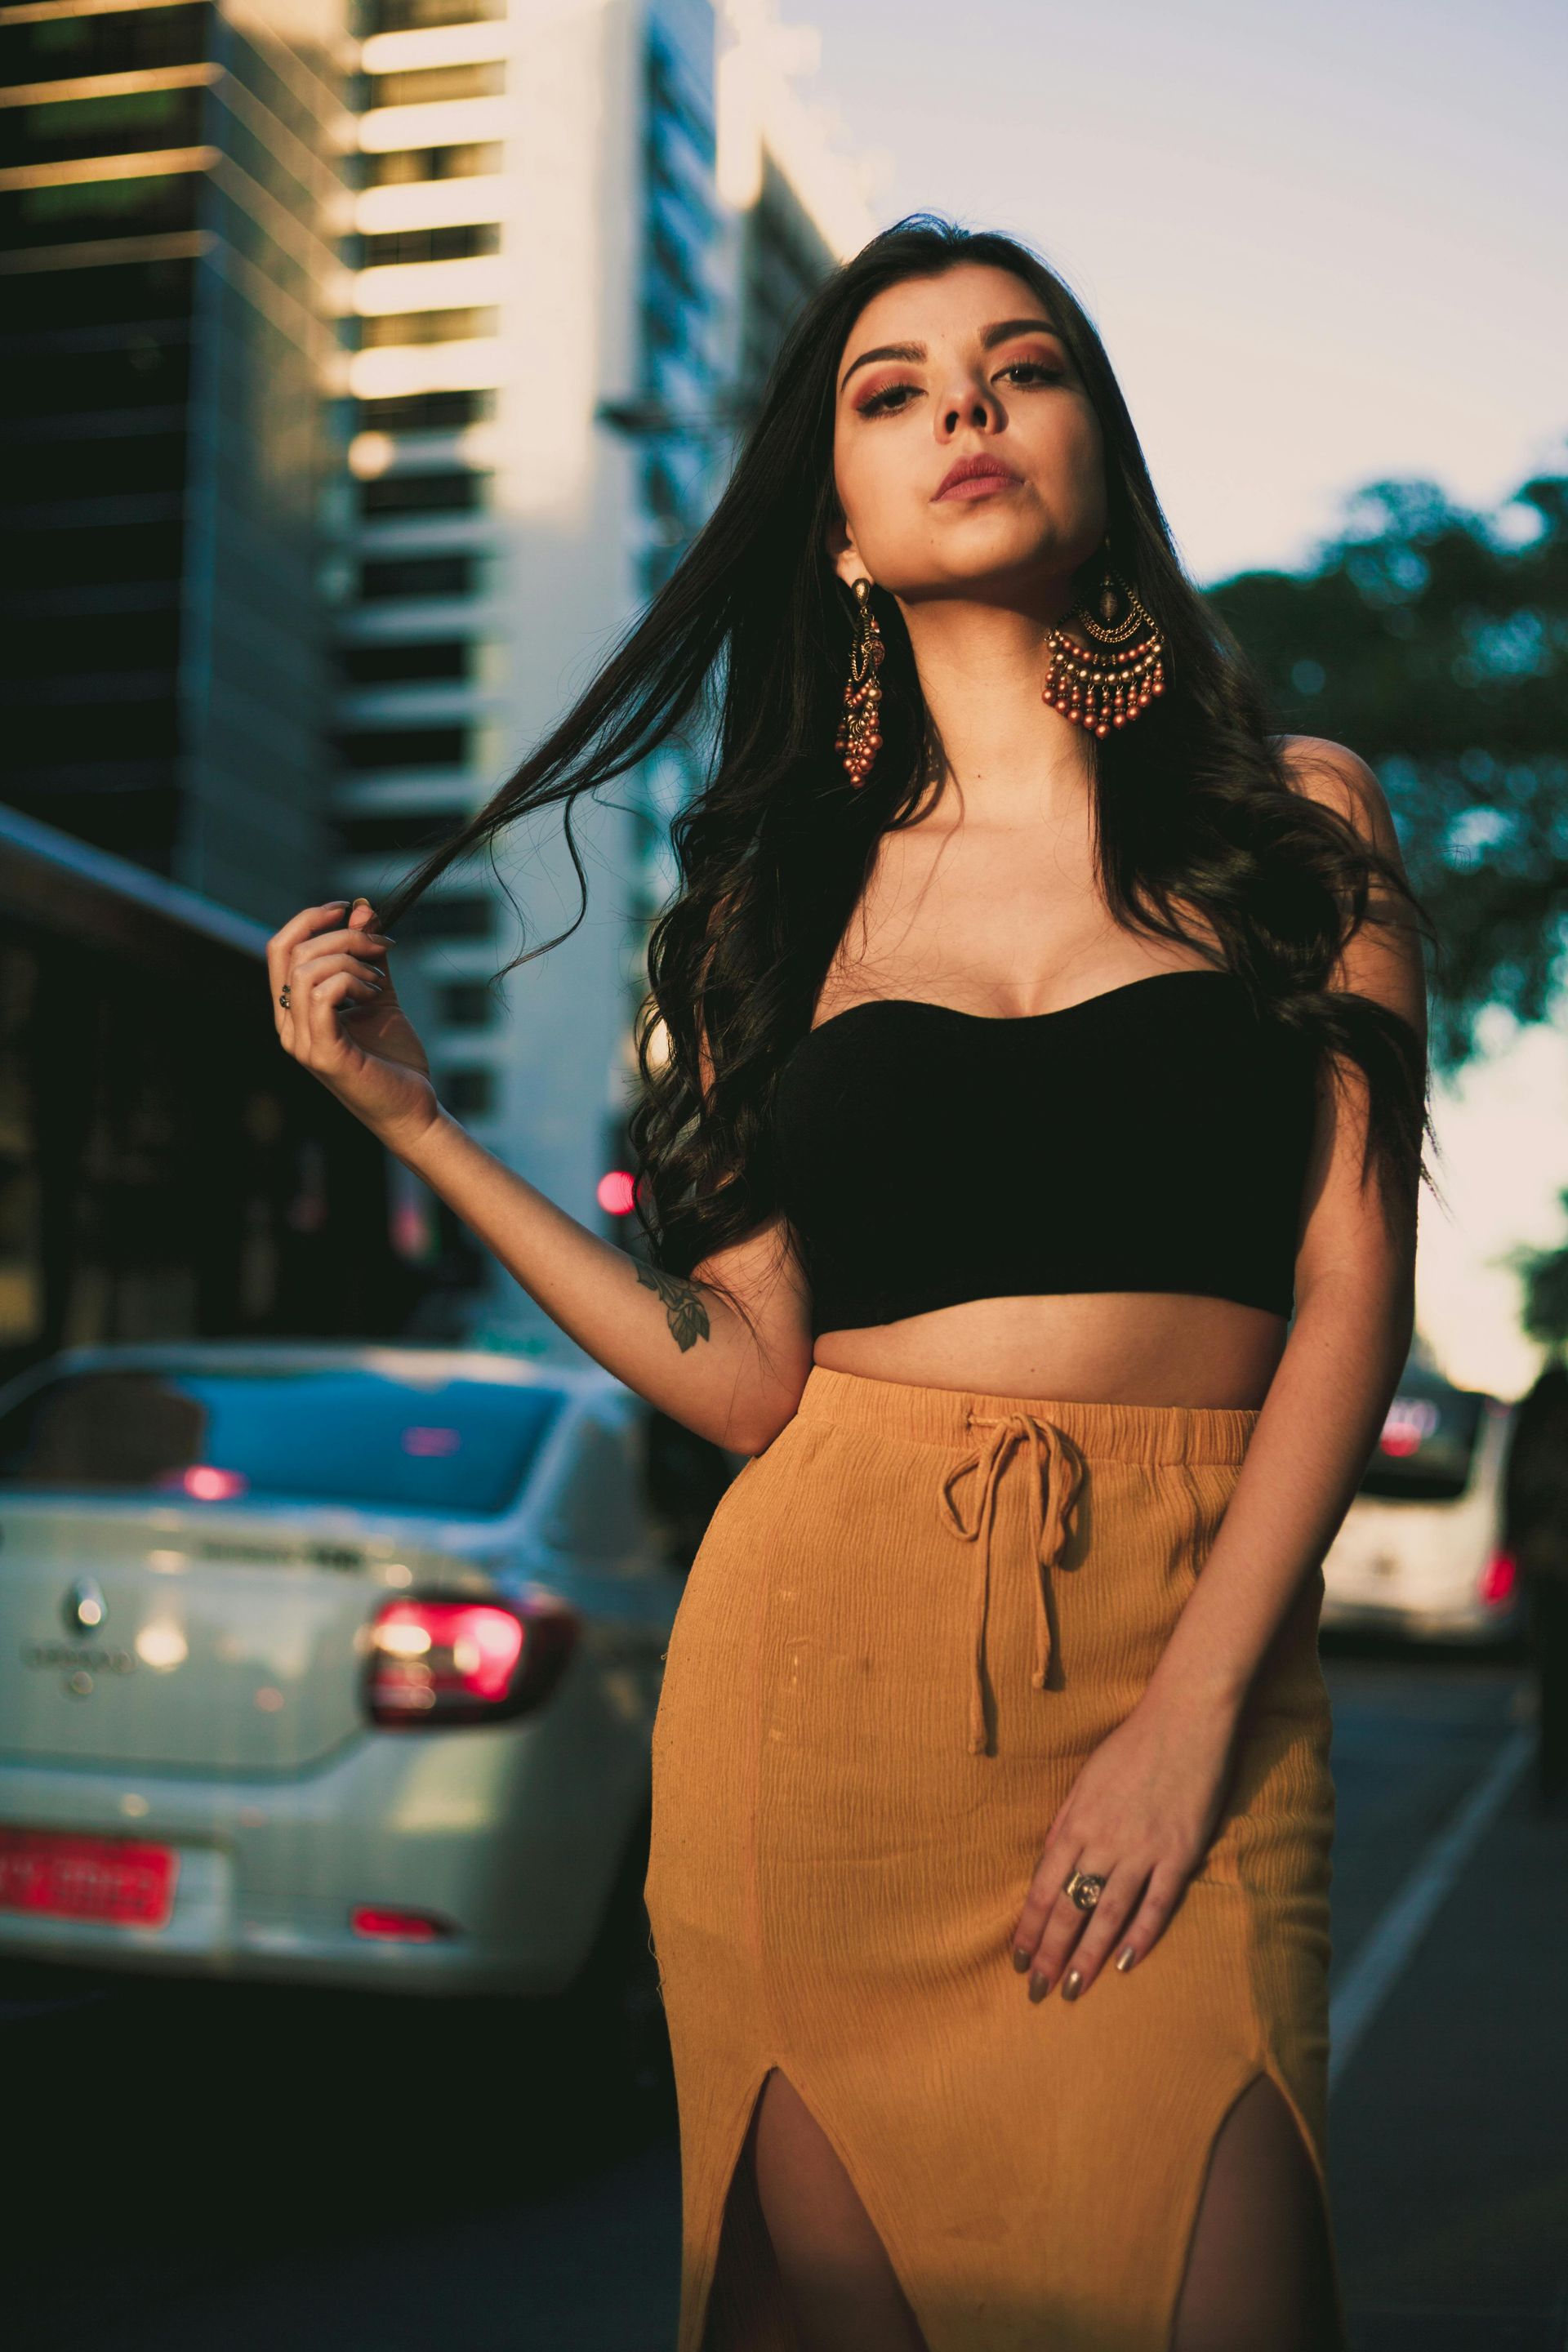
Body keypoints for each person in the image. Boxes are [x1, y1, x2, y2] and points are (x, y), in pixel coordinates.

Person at [269, 219, 1431, 2352]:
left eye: (1021, 365)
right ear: (838, 526)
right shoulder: (772, 901)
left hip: (1196, 1654)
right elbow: (738, 1381)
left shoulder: (1301, 822)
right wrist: (416, 1123)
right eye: (887, 390)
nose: (962, 408)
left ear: (1100, 445)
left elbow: (1353, 1290)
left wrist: (1186, 1723)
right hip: (821, 1685)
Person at [1502, 1360, 1568, 1804]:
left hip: (1546, 1565)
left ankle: (1550, 1776)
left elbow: (1516, 1494)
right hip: (1548, 1565)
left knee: (1551, 1675)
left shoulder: (1531, 1438)